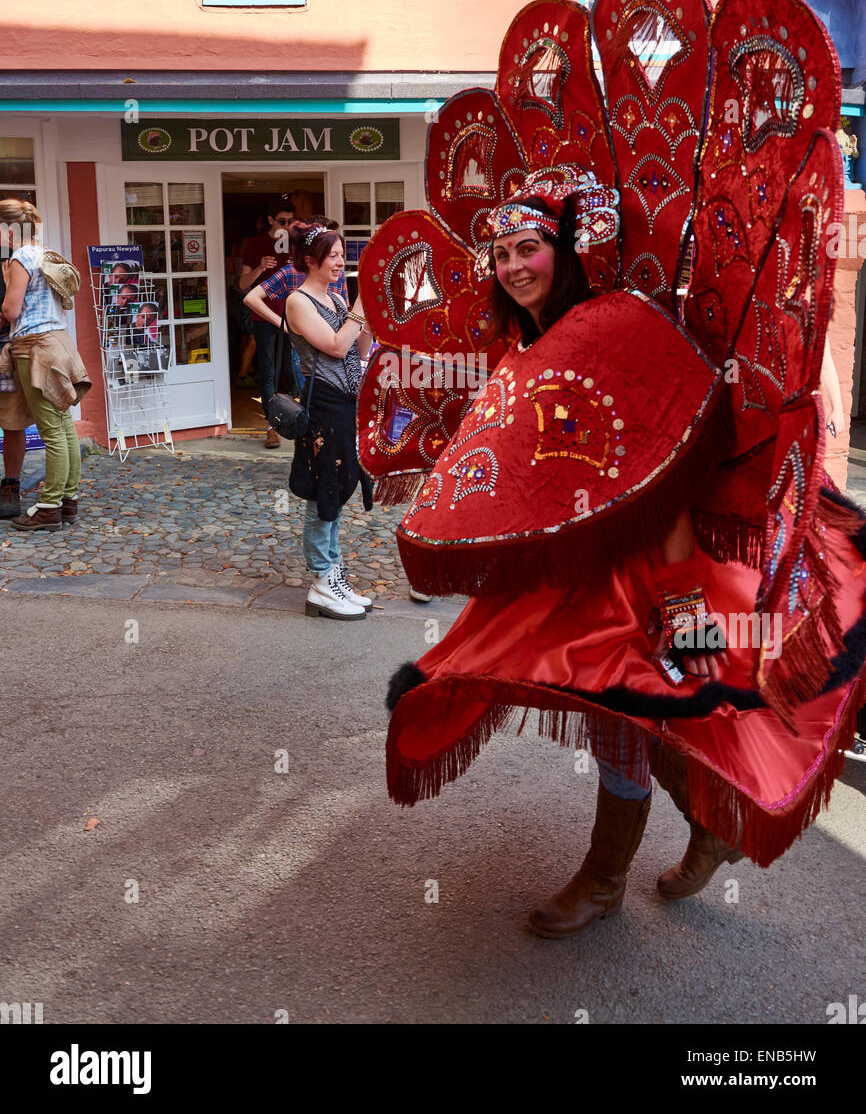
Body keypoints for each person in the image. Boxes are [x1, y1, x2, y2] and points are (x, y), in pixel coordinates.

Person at [382, 175, 866, 937]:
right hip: (567, 570)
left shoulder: (608, 327)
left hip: (648, 570)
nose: (513, 266)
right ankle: (712, 830)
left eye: (529, 248)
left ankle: (605, 879)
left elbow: (662, 475)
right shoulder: (520, 345)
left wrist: (685, 615)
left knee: (631, 707)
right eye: (501, 253)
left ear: (562, 253)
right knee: (641, 714)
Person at [283, 222, 373, 619]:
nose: (341, 262)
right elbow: (337, 346)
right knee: (322, 492)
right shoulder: (298, 301)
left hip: (347, 403)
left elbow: (359, 346)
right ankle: (321, 581)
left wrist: (366, 315)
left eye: (341, 255)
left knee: (337, 487)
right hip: (323, 406)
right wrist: (360, 306)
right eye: (333, 255)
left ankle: (334, 573)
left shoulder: (337, 300)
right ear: (311, 260)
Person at [0, 199, 90, 530]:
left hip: (35, 347)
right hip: (57, 342)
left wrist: (9, 280)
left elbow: (11, 311)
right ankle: (68, 500)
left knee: (52, 431)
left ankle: (49, 506)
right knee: (63, 426)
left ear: (10, 229)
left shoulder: (21, 257)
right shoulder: (44, 252)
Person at [244, 214, 349, 399]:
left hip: (332, 351)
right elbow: (250, 297)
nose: (338, 259)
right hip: (305, 352)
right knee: (313, 406)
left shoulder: (337, 274)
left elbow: (345, 311)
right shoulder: (291, 271)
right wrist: (282, 324)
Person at [239, 201, 295, 447]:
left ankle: (294, 423)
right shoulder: (255, 244)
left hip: (294, 316)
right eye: (282, 221)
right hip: (264, 316)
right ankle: (271, 427)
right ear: (271, 220)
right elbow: (242, 284)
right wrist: (261, 266)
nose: (287, 226)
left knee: (292, 370)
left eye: (291, 222)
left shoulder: (296, 243)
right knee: (269, 371)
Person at [0, 260, 32, 518]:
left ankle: (10, 486)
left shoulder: (12, 258)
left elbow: (16, 308)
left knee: (12, 421)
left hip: (7, 347)